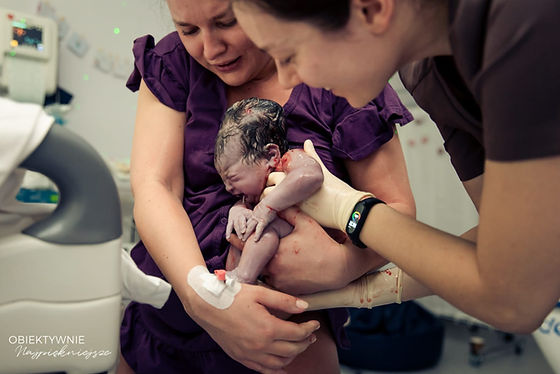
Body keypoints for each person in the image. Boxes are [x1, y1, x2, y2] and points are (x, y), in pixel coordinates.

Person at [118, 0, 416, 373]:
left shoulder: (337, 70)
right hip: (164, 325)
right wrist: (203, 298)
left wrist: (344, 265)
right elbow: (154, 187)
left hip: (282, 341)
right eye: (188, 30)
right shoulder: (174, 64)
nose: (210, 50)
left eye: (226, 22)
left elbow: (398, 213)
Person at [231, 0, 560, 333]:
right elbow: (508, 246)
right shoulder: (429, 72)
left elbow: (517, 300)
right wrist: (364, 291)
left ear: (372, 9)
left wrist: (351, 210)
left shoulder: (525, 22)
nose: (287, 78)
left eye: (289, 55)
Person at [215, 97, 323, 284]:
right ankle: (228, 280)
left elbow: (311, 175)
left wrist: (267, 206)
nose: (228, 188)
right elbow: (247, 206)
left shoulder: (289, 160)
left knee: (264, 229)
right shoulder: (253, 193)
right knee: (241, 232)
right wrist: (238, 210)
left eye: (232, 178)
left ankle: (243, 277)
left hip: (305, 237)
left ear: (270, 156)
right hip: (275, 263)